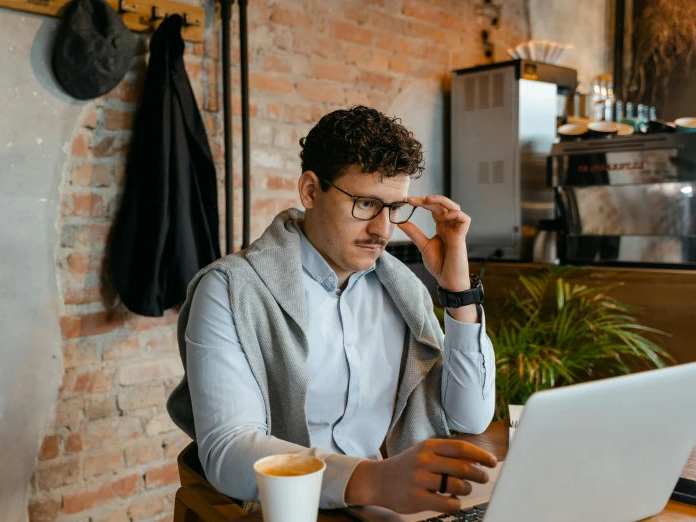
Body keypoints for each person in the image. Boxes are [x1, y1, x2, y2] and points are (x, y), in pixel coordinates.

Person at [166, 106, 497, 514]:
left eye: (393, 208)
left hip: (387, 509)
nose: (383, 230)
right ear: (310, 190)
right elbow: (228, 449)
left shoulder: (403, 290)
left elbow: (470, 418)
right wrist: (373, 481)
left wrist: (458, 293)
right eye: (365, 204)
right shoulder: (231, 289)